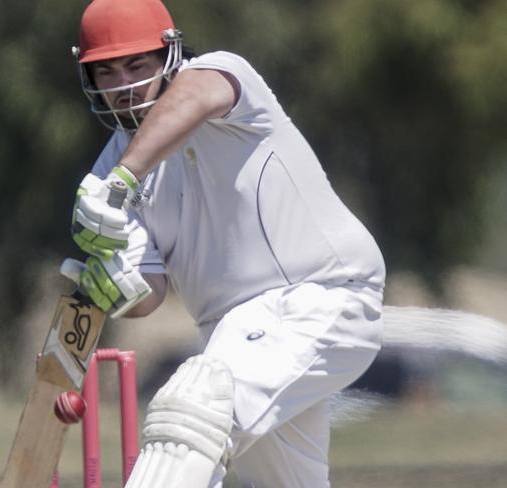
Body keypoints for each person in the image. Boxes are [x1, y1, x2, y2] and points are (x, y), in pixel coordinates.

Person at [66, 0, 386, 486]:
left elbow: (197, 97)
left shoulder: (220, 76)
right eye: (106, 71)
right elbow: (149, 292)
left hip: (320, 296)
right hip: (233, 335)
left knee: (191, 411)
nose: (124, 87)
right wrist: (117, 286)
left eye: (137, 64)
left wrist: (123, 180)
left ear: (170, 54)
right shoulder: (110, 169)